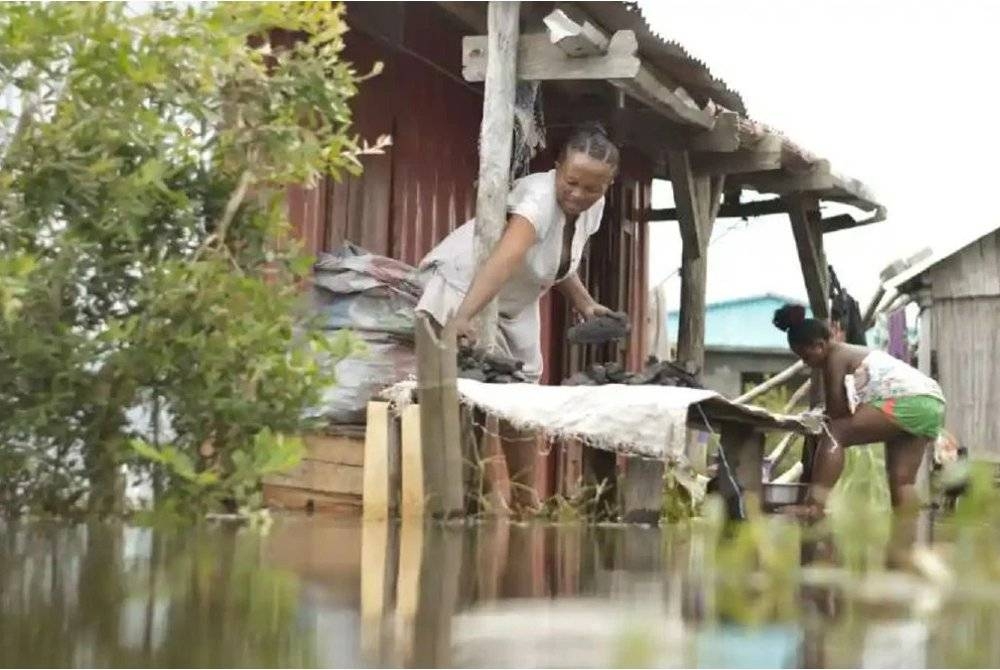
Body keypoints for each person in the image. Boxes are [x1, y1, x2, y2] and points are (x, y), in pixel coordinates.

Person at [416, 124, 623, 382]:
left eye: (592, 189)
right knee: (467, 384)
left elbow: (554, 259)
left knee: (523, 381)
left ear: (608, 185)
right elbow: (505, 260)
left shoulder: (594, 208)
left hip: (515, 304)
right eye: (571, 182)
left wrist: (586, 304)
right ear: (558, 167)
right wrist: (462, 317)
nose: (578, 194)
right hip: (466, 290)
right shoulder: (538, 201)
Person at [773, 303, 946, 513]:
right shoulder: (852, 352)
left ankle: (813, 506)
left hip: (905, 400)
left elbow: (836, 414)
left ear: (819, 345)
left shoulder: (835, 356)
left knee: (834, 433)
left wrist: (815, 420)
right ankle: (905, 535)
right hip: (931, 402)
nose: (807, 363)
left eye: (806, 356)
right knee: (903, 481)